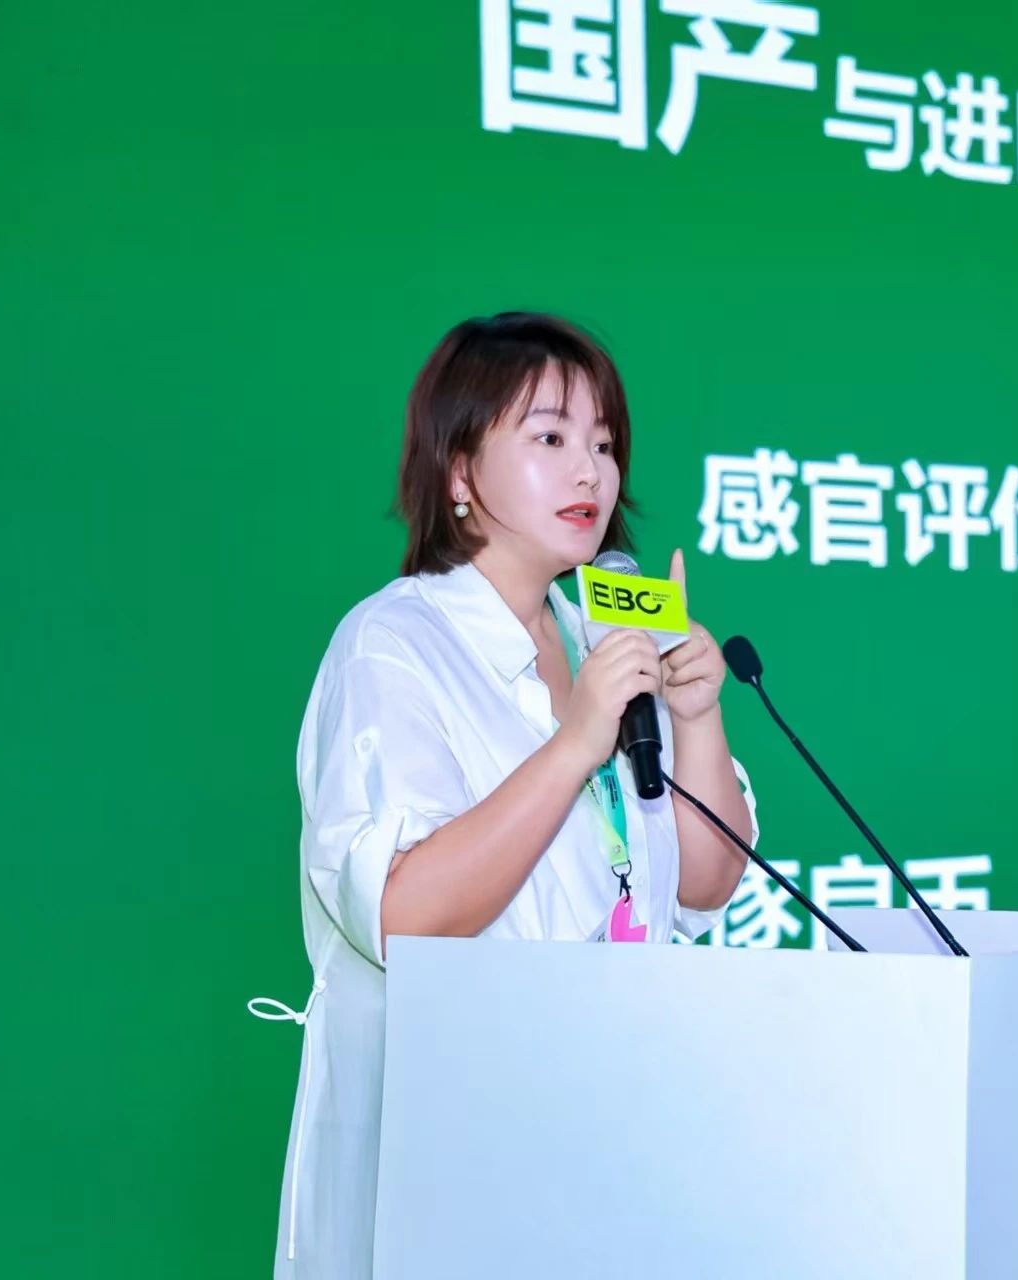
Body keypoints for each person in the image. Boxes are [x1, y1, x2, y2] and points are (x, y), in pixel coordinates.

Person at [251, 312, 756, 1278]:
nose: (590, 472)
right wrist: (573, 747)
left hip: (619, 1136)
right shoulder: (393, 646)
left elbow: (702, 882)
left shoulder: (601, 636)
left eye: (603, 443)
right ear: (459, 473)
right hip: (453, 1160)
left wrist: (696, 717)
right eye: (551, 438)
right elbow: (402, 914)